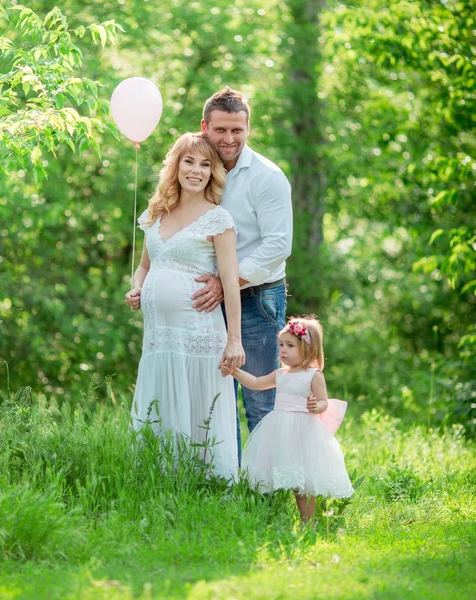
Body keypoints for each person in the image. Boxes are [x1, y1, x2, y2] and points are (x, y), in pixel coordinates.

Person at [125, 132, 245, 481]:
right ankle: (159, 479)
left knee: (197, 404)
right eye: (189, 161)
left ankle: (206, 485)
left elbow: (230, 282)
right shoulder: (157, 212)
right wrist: (137, 288)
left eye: (205, 164)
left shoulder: (218, 219)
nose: (196, 170)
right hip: (159, 339)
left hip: (199, 335)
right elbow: (145, 266)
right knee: (162, 401)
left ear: (213, 172)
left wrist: (234, 340)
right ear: (175, 166)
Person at [194, 87, 293, 458]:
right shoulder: (195, 170)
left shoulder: (266, 177)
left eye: (237, 130)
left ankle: (266, 493)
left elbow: (279, 245)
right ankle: (228, 482)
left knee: (260, 402)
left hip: (257, 300)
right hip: (206, 302)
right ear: (205, 127)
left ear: (248, 128)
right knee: (214, 400)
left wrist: (226, 284)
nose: (229, 139)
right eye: (220, 130)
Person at [221, 315, 353, 521]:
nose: (283, 350)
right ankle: (270, 514)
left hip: (303, 431)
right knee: (279, 473)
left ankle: (307, 522)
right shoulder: (280, 374)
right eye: (281, 344)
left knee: (303, 481)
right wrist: (235, 372)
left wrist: (316, 406)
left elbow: (324, 402)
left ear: (308, 348)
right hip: (279, 430)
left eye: (290, 345)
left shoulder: (313, 375)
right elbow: (256, 383)